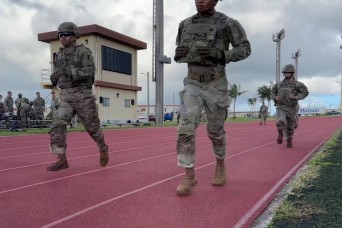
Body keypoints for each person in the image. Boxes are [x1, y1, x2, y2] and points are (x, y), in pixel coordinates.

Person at [174, 0, 251, 195]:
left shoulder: (228, 23)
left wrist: (221, 54)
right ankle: (189, 176)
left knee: (215, 131)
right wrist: (178, 54)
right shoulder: (185, 24)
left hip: (215, 84)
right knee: (185, 128)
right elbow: (183, 49)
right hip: (192, 83)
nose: (200, 0)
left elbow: (245, 48)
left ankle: (220, 163)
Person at [47, 22, 109, 171]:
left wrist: (71, 72)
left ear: (75, 35)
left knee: (93, 128)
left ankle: (102, 147)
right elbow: (58, 73)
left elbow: (90, 72)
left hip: (83, 96)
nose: (63, 38)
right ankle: (61, 158)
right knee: (57, 126)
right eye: (61, 35)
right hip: (66, 96)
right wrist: (55, 77)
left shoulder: (83, 52)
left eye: (66, 34)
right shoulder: (60, 54)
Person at [272, 64, 309, 148]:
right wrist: (275, 97)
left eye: (289, 73)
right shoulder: (278, 84)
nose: (287, 74)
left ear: (292, 73)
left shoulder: (298, 84)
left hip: (292, 107)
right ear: (283, 73)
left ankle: (289, 139)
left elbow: (305, 92)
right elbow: (273, 92)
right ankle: (280, 132)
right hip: (281, 106)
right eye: (285, 72)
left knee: (290, 126)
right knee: (280, 121)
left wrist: (296, 97)